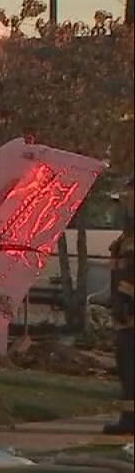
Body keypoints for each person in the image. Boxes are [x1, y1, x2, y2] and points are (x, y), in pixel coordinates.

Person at [103, 174, 134, 435]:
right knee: (126, 366)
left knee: (129, 364)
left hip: (131, 313)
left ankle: (130, 419)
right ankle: (128, 418)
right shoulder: (128, 234)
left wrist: (124, 298)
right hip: (125, 313)